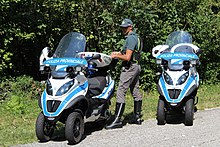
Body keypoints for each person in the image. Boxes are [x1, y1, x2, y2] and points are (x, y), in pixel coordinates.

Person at [105, 18, 143, 129]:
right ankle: (137, 117)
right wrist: (117, 53)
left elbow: (127, 57)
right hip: (136, 66)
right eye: (122, 27)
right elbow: (127, 53)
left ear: (130, 27)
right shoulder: (136, 37)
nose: (123, 29)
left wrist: (115, 56)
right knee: (135, 90)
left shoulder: (131, 39)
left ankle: (117, 119)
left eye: (125, 27)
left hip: (130, 67)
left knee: (121, 90)